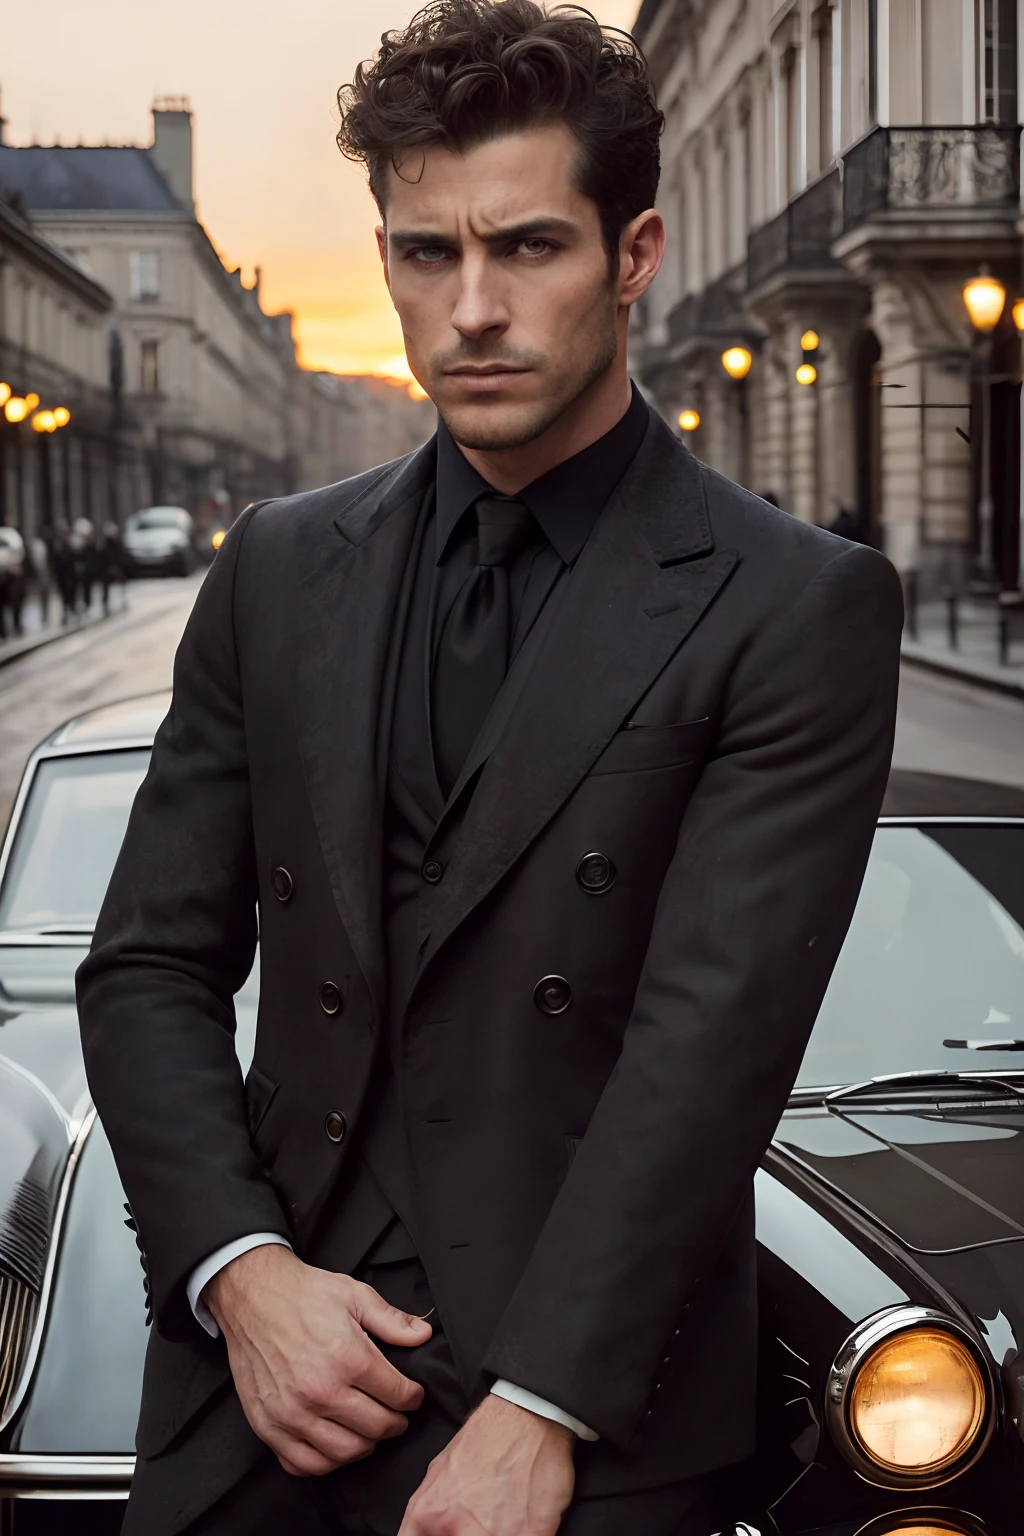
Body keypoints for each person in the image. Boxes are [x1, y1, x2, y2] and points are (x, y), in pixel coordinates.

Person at [77, 4, 903, 1534]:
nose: (470, 308)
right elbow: (143, 967)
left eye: (527, 247)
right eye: (424, 253)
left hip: (583, 1412)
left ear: (634, 253)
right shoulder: (274, 566)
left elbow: (706, 1048)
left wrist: (543, 1406)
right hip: (266, 1378)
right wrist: (242, 1280)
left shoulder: (795, 606)